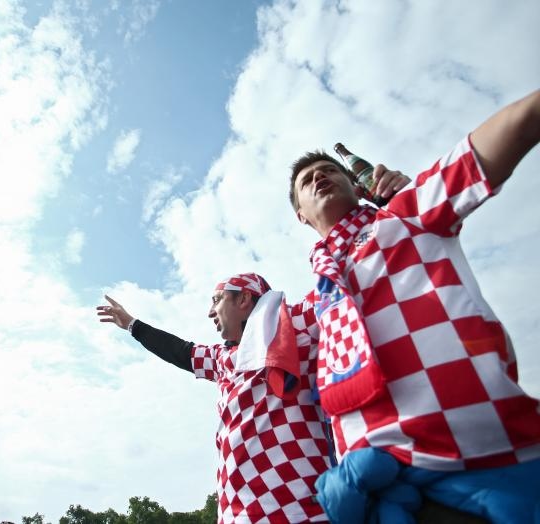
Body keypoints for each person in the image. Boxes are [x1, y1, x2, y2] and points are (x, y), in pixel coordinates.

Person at [287, 90, 540, 522]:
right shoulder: (314, 303)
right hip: (386, 492)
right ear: (300, 216)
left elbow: (484, 152)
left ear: (357, 184)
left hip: (489, 461)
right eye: (306, 180)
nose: (319, 177)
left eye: (330, 169)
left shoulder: (407, 213)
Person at [97, 273, 331, 523]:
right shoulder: (223, 359)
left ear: (243, 298)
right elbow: (181, 352)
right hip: (234, 513)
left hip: (297, 511)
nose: (210, 312)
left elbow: (342, 279)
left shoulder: (298, 325)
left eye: (216, 300)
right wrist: (133, 325)